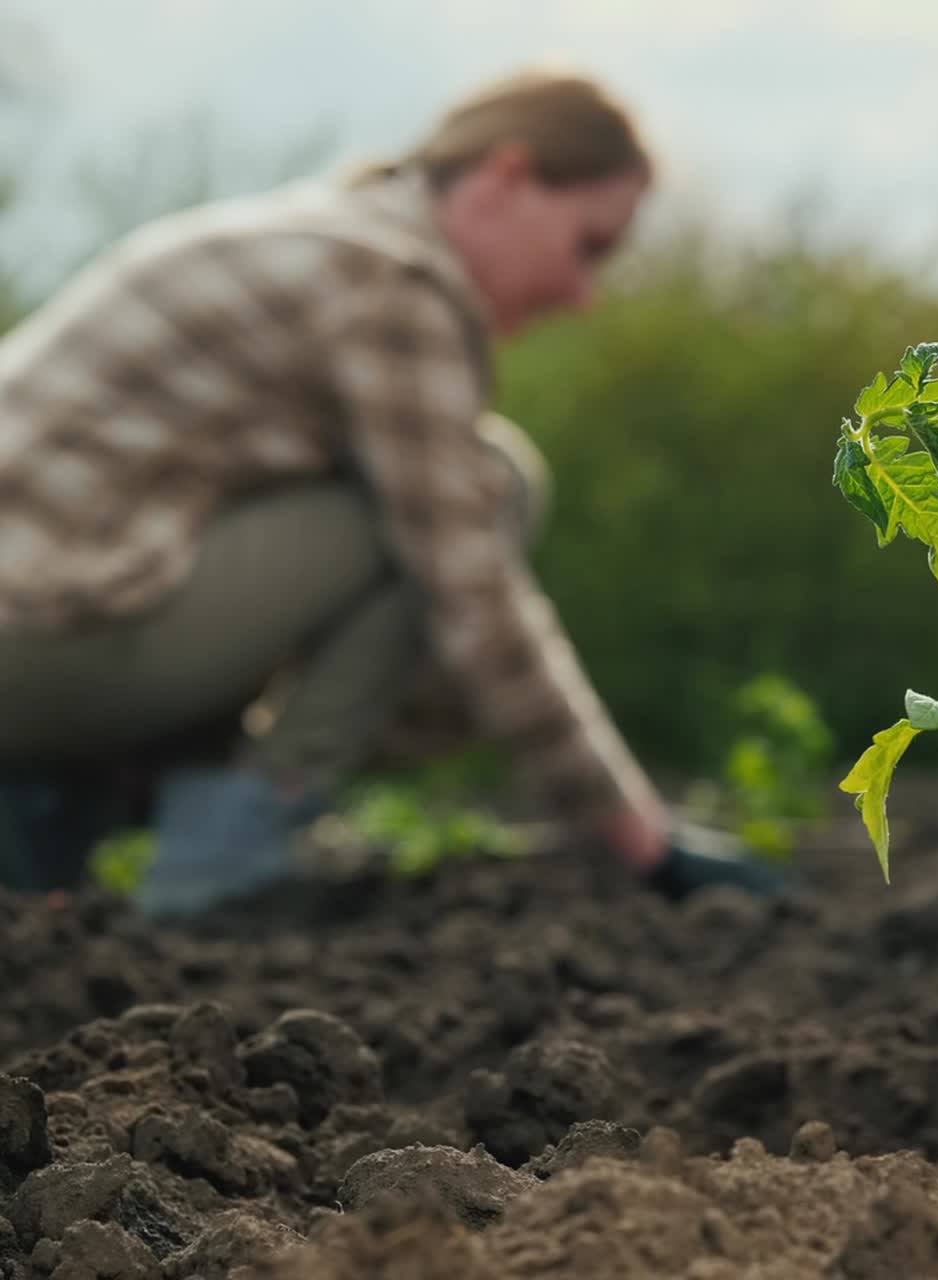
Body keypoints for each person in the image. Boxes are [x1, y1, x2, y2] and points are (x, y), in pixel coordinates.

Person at [0, 68, 779, 915]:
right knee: (488, 490)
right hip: (37, 636)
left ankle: (55, 800)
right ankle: (216, 862)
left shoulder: (326, 235)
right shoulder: (390, 280)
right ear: (506, 178)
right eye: (588, 245)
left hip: (44, 630)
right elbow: (473, 596)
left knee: (417, 504)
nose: (582, 295)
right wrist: (646, 847)